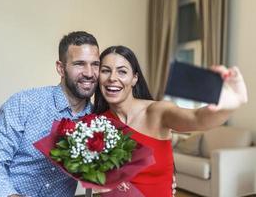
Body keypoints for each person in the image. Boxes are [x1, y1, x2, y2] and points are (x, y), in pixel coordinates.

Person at [93, 45, 248, 197]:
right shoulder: (97, 123)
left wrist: (228, 105)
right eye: (105, 70)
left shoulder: (157, 112)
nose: (112, 78)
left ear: (134, 78)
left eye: (122, 71)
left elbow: (197, 118)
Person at [0, 31, 100, 197]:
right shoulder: (24, 103)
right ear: (61, 68)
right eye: (80, 64)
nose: (89, 73)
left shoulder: (97, 121)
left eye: (95, 64)